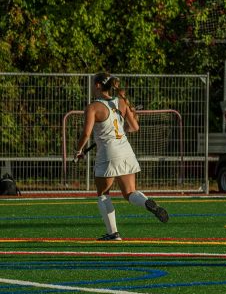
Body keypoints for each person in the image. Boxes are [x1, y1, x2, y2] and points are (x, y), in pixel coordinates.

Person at [72, 73, 169, 240]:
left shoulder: (93, 107)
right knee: (130, 193)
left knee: (103, 193)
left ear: (97, 85)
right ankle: (146, 202)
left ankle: (113, 233)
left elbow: (86, 133)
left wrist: (78, 150)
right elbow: (134, 127)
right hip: (126, 150)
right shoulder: (121, 102)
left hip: (108, 153)